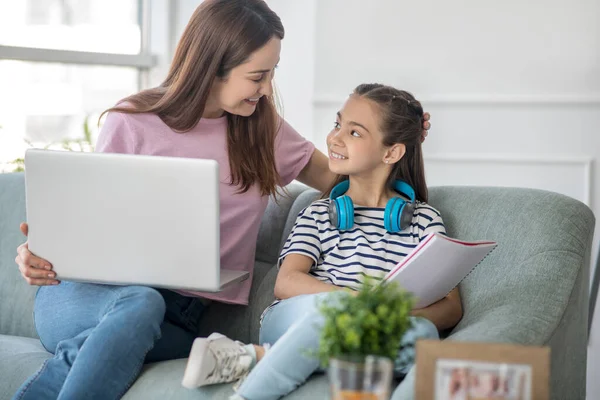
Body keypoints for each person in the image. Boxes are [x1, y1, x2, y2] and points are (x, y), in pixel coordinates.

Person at [12, 1, 431, 399]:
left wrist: (396, 140)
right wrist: (40, 252)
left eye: (272, 74)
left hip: (179, 316)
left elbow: (340, 175)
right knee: (139, 301)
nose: (267, 90)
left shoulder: (262, 130)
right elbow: (89, 220)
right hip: (84, 296)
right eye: (256, 76)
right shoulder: (132, 122)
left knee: (127, 321)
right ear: (213, 68)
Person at [183, 83, 461, 400]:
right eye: (337, 124)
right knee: (332, 313)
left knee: (423, 335)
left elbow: (450, 307)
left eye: (354, 133)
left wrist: (385, 317)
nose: (335, 138)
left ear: (392, 152)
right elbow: (286, 283)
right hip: (298, 317)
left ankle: (258, 357)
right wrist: (356, 302)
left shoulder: (425, 220)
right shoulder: (318, 212)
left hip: (376, 328)